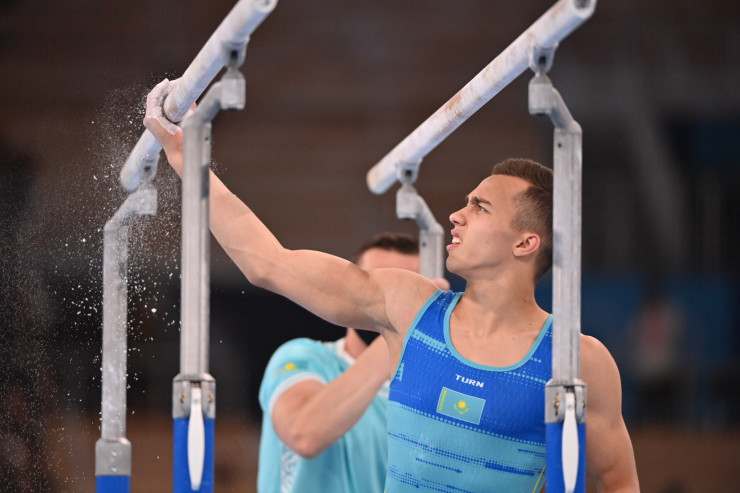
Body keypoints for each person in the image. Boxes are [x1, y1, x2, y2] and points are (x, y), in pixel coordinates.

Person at [144, 79, 639, 492]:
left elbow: (618, 481)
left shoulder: (576, 361)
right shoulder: (409, 307)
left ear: (526, 242)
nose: (456, 215)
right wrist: (190, 159)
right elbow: (270, 264)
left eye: (480, 207)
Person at [258, 233, 447, 492]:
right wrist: (401, 329)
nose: (388, 301)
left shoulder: (435, 392)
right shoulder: (303, 357)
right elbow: (304, 435)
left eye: (402, 290)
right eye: (377, 286)